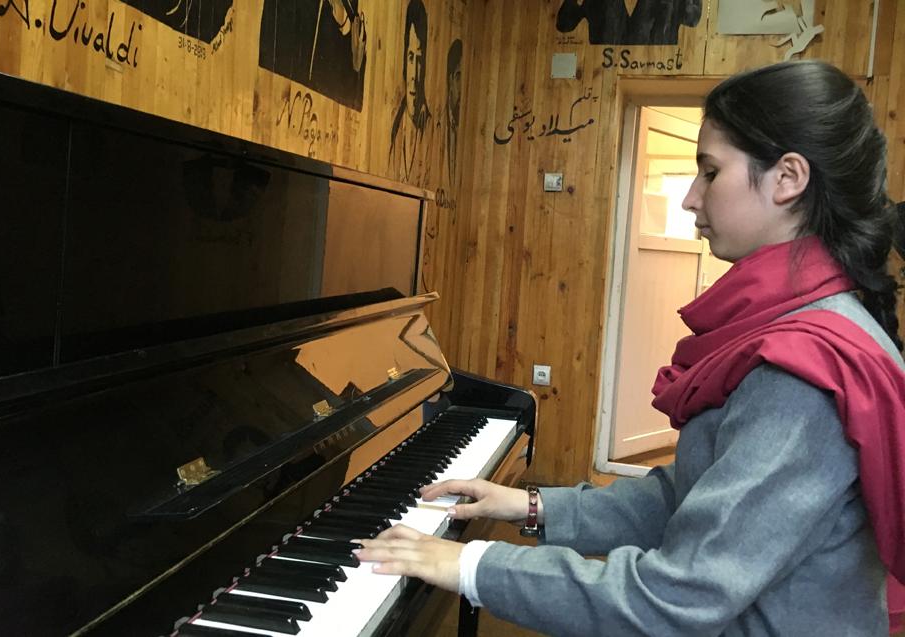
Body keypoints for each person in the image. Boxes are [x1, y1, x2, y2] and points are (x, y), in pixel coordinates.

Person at [355, 59, 905, 635]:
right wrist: (530, 506)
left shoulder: (805, 373)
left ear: (787, 178)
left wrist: (470, 563)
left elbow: (674, 598)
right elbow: (695, 496)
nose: (692, 198)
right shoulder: (800, 322)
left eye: (710, 172)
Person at [388, 0, 432, 185]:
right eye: (411, 57)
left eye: (420, 59)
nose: (414, 74)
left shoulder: (431, 130)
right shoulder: (396, 125)